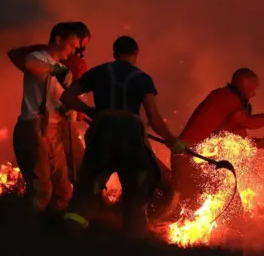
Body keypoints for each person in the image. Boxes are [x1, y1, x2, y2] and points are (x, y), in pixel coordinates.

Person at [60, 35, 186, 238]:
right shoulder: (142, 79)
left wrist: (93, 113)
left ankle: (68, 241)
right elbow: (153, 118)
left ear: (114, 53)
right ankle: (132, 246)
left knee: (85, 192)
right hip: (132, 141)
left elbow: (66, 97)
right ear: (135, 53)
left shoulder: (99, 72)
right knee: (135, 198)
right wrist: (173, 142)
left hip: (102, 137)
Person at [156, 67, 264, 222]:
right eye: (253, 90)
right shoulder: (227, 98)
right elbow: (246, 122)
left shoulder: (227, 102)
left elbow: (238, 139)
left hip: (192, 157)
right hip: (190, 156)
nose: (254, 94)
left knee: (220, 198)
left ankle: (228, 236)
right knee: (193, 206)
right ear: (244, 87)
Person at [10, 23, 81, 219]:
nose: (74, 50)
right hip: (34, 128)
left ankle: (53, 234)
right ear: (58, 39)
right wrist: (56, 72)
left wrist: (72, 110)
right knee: (41, 190)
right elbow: (32, 65)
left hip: (55, 132)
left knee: (64, 190)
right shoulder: (38, 58)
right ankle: (31, 236)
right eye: (71, 45)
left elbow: (59, 99)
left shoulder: (63, 69)